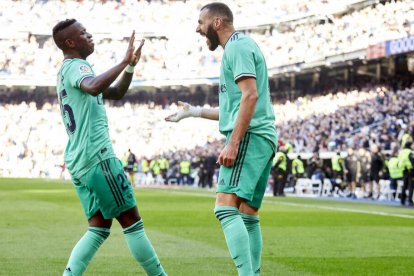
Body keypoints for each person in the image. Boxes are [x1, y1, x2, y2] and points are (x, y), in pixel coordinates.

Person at [165, 3, 277, 275]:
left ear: (216, 23)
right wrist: (195, 112)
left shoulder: (237, 48)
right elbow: (235, 107)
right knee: (248, 215)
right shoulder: (241, 46)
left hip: (250, 137)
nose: (197, 28)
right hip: (263, 137)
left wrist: (233, 142)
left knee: (225, 209)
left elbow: (250, 96)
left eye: (201, 22)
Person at [52, 19, 166, 276]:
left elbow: (114, 92)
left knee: (99, 228)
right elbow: (93, 87)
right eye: (83, 33)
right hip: (97, 157)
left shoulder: (65, 71)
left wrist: (130, 67)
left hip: (79, 160)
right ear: (71, 42)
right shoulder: (77, 66)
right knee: (132, 223)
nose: (90, 35)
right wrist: (124, 60)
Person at [398, 141, 414, 206]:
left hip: (403, 170)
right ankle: (410, 200)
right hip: (410, 170)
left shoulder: (401, 152)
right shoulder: (410, 152)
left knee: (404, 185)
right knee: (411, 186)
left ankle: (402, 199)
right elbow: (412, 161)